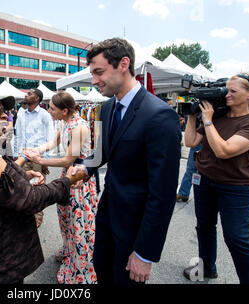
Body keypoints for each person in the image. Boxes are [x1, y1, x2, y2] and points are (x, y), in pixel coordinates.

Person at [0, 89, 88, 284]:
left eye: (5, 111)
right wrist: (66, 182)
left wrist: (24, 169)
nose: (5, 115)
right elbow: (31, 199)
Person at [73, 38, 181, 284]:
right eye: (92, 73)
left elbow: (162, 194)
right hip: (107, 218)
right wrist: (83, 168)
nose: (94, 81)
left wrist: (145, 252)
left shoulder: (161, 115)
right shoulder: (107, 108)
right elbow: (101, 153)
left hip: (135, 230)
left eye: (99, 72)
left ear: (124, 64)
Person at [183, 72, 249, 284]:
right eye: (225, 90)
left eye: (232, 91)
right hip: (204, 182)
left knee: (237, 239)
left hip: (236, 187)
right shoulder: (218, 117)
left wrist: (209, 121)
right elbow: (191, 141)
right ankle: (206, 268)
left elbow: (224, 150)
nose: (226, 95)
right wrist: (193, 116)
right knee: (204, 227)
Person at [24, 91, 98, 284]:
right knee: (66, 218)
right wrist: (37, 150)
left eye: (52, 109)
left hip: (79, 178)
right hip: (69, 175)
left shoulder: (80, 127)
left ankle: (80, 263)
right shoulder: (65, 122)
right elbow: (54, 142)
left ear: (65, 110)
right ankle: (69, 249)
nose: (49, 112)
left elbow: (68, 159)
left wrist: (41, 160)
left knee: (77, 222)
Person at [14, 88, 55, 228]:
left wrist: (45, 160)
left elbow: (50, 137)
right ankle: (26, 214)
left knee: (38, 186)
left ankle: (38, 217)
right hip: (23, 157)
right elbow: (17, 135)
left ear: (37, 98)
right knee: (22, 186)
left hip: (39, 157)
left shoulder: (44, 115)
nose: (26, 95)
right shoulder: (21, 114)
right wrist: (16, 156)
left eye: (29, 93)